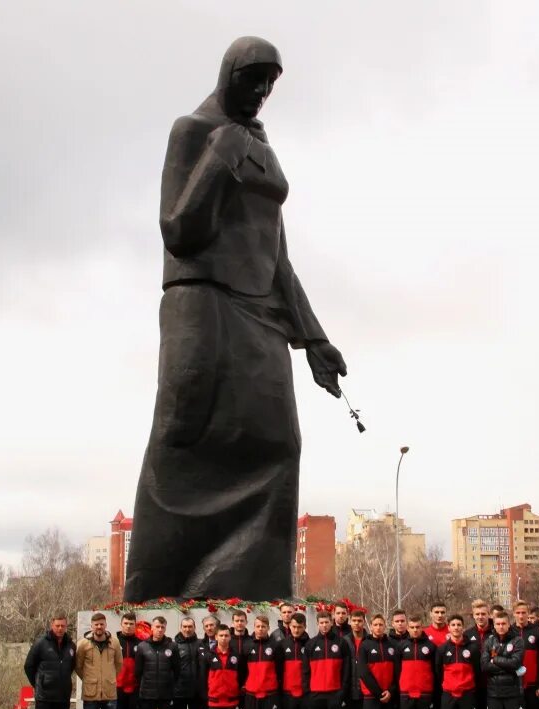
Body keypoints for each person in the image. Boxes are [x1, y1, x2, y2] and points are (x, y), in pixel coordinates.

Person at [123, 36, 346, 602]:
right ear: (228, 75)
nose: (262, 94)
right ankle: (155, 590)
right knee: (182, 434)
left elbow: (278, 257)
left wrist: (314, 338)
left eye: (270, 84)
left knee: (279, 444)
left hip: (261, 313)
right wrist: (221, 157)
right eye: (253, 81)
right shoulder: (195, 132)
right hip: (200, 302)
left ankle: (246, 588)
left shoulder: (262, 147)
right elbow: (179, 229)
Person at [168, 617, 208, 709]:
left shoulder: (201, 644)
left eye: (190, 626)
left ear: (195, 627)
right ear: (180, 627)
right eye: (184, 626)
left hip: (196, 694)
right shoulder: (173, 645)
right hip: (179, 693)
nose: (187, 629)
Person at [465, 599, 492, 709]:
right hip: (474, 688)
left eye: (483, 614)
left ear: (488, 614)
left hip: (493, 687)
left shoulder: (495, 631)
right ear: (473, 615)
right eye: (477, 614)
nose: (481, 617)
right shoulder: (468, 635)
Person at [424, 602, 450, 709]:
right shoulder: (425, 634)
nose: (440, 615)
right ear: (431, 614)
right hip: (431, 687)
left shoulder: (453, 630)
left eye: (442, 612)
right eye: (436, 612)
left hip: (450, 686)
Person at [115, 611, 142, 709]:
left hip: (134, 691)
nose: (129, 626)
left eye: (131, 624)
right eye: (126, 623)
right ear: (121, 624)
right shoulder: (113, 642)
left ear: (135, 626)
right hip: (117, 690)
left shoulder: (141, 644)